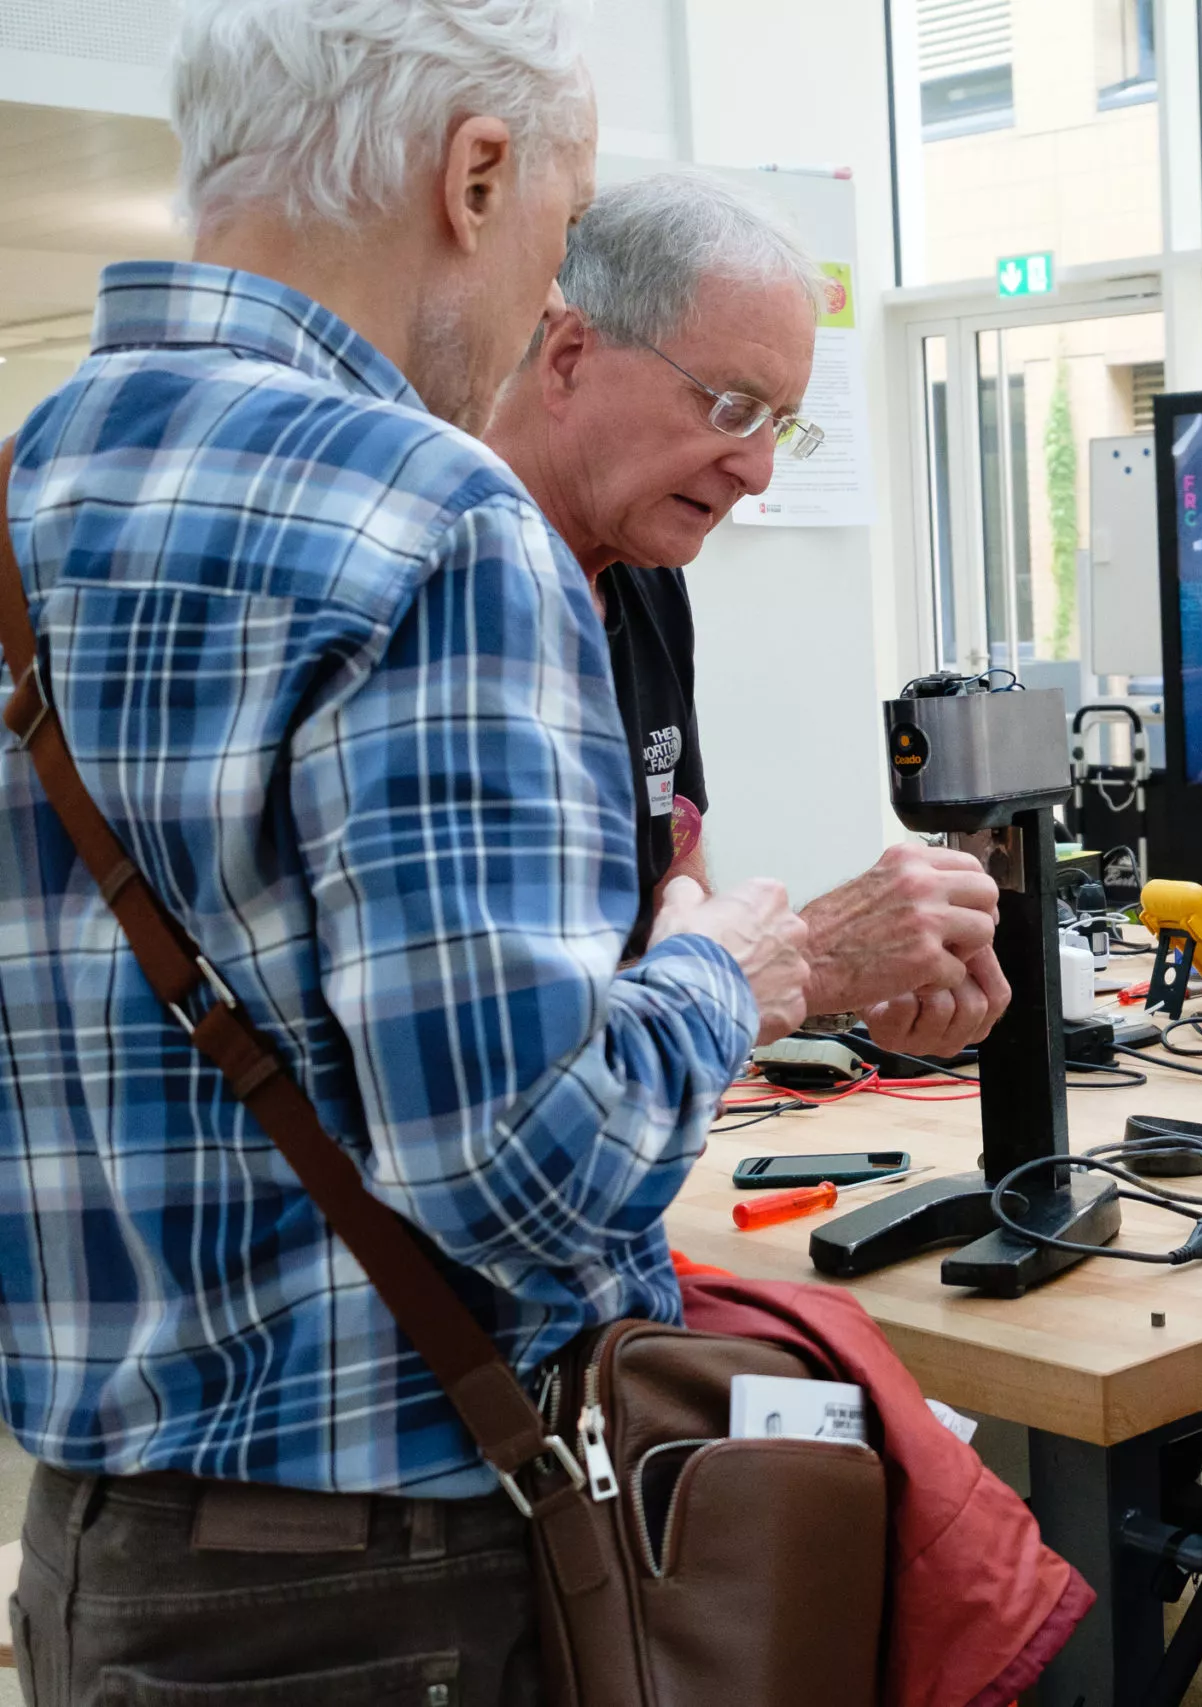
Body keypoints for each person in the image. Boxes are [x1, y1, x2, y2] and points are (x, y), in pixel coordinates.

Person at [0, 2, 814, 1697]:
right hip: (380, 1579)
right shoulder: (435, 515)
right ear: (477, 172)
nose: (553, 289)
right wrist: (724, 973)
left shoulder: (21, 491)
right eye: (563, 225)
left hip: (92, 1552)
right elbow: (518, 1170)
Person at [483, 173, 1008, 1055]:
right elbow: (498, 1049)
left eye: (779, 423)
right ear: (568, 356)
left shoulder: (645, 576)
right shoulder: (453, 599)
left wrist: (863, 974)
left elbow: (672, 911)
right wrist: (818, 961)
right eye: (730, 406)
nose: (757, 471)